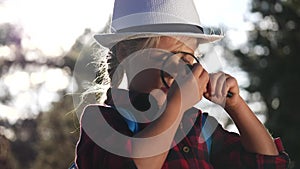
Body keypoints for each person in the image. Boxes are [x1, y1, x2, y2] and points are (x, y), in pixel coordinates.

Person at [74, 0, 290, 168]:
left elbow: (266, 162)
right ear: (126, 54)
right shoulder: (101, 121)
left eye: (189, 59)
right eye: (171, 56)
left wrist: (236, 106)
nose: (182, 70)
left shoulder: (197, 126)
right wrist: (176, 105)